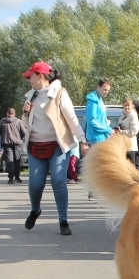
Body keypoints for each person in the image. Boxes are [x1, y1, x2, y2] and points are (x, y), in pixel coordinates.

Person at [21, 63, 86, 235]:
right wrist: (26, 114)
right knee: (35, 184)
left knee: (58, 181)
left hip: (56, 145)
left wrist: (83, 141)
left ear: (40, 76)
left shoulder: (59, 94)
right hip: (35, 145)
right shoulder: (31, 96)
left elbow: (71, 118)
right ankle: (35, 210)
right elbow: (25, 125)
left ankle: (63, 221)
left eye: (31, 76)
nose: (29, 80)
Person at [0, 107, 26, 183]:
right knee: (17, 160)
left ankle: (10, 178)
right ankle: (17, 177)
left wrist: (3, 134)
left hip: (6, 143)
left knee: (9, 161)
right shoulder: (18, 121)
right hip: (17, 143)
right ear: (14, 113)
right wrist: (20, 137)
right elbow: (24, 132)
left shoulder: (3, 121)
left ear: (7, 113)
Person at [84, 80, 113, 146]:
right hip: (96, 138)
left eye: (108, 90)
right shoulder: (93, 100)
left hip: (101, 137)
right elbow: (92, 121)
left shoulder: (99, 99)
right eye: (105, 90)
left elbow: (99, 117)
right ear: (98, 87)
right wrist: (108, 130)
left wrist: (106, 122)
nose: (107, 92)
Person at [119, 96, 139, 163]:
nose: (126, 107)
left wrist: (121, 132)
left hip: (130, 147)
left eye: (128, 105)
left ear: (132, 106)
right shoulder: (122, 116)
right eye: (125, 105)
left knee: (130, 169)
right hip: (123, 146)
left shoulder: (133, 116)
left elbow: (133, 131)